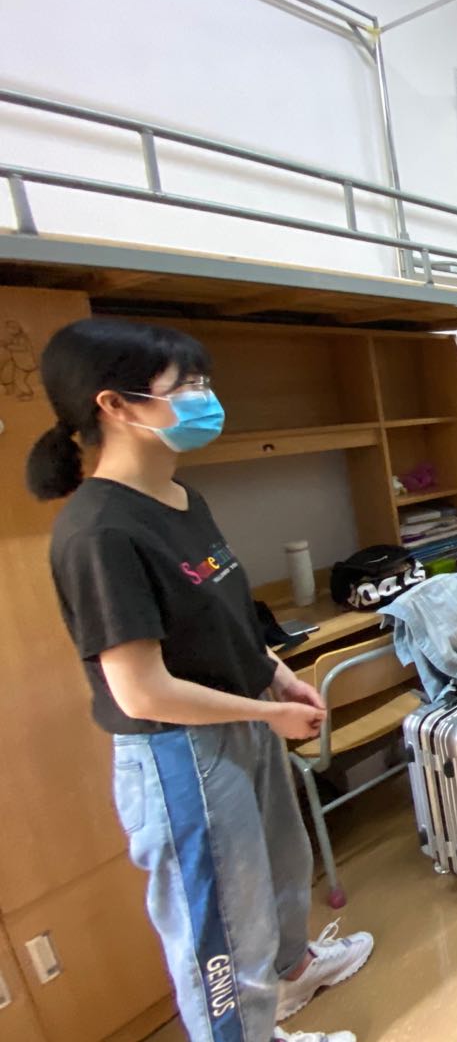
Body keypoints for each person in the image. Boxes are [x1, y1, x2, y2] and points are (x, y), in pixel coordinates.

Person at [26, 318, 373, 1042]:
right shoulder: (100, 533)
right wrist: (266, 713)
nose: (204, 399)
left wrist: (275, 677)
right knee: (223, 927)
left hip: (243, 718)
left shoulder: (183, 499)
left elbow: (221, 617)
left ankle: (293, 974)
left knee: (282, 865)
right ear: (114, 405)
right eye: (184, 386)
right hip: (181, 752)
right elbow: (141, 690)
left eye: (203, 382)